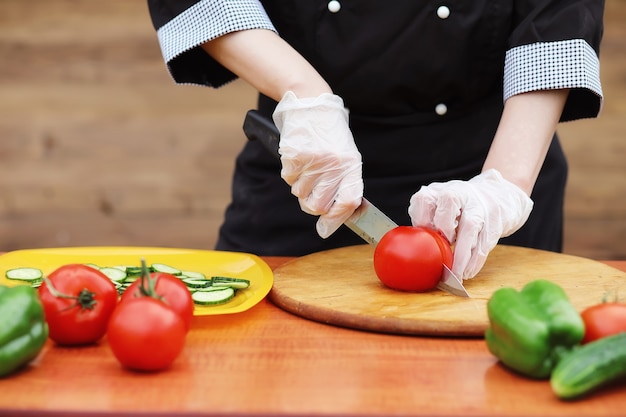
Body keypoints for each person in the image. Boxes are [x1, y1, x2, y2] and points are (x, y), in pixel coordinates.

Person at [147, 1, 604, 280]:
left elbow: (558, 24)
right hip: (308, 171)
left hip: (490, 169)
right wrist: (307, 97)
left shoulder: (499, 184)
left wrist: (503, 185)